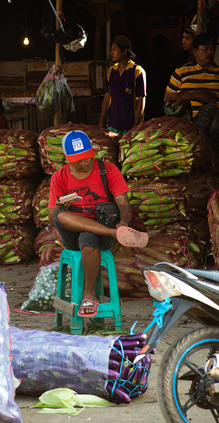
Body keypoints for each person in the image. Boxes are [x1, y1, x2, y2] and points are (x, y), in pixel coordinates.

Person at [49, 130, 148, 317]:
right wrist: (59, 205)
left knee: (89, 237)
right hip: (72, 234)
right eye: (78, 159)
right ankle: (113, 234)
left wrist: (123, 223)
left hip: (102, 234)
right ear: (66, 158)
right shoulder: (59, 177)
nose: (84, 162)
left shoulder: (108, 170)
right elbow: (50, 217)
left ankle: (89, 296)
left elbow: (124, 203)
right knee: (59, 215)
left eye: (87, 156)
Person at [164, 33, 219, 159]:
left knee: (212, 150)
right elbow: (168, 98)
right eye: (205, 49)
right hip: (188, 120)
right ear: (195, 52)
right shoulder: (181, 71)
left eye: (212, 49)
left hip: (215, 119)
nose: (209, 53)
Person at [98, 36, 146, 136]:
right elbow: (107, 97)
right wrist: (101, 121)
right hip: (113, 124)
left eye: (114, 50)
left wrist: (137, 123)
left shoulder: (137, 71)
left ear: (124, 52)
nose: (111, 53)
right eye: (111, 50)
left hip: (131, 124)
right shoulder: (110, 72)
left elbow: (141, 99)